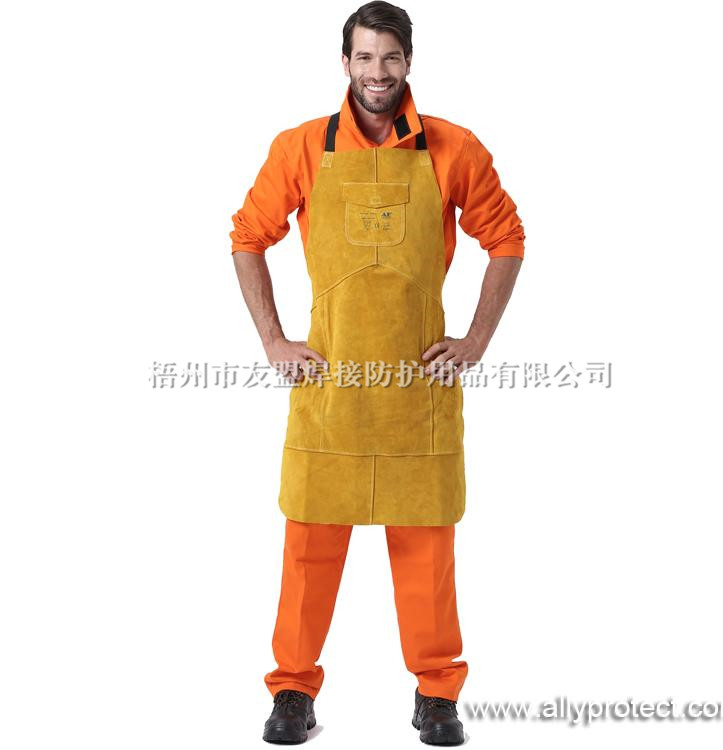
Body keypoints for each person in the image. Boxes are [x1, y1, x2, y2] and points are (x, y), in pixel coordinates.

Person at [229, 1, 524, 744]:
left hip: (416, 391)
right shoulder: (301, 148)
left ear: (409, 62)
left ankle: (437, 692)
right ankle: (292, 690)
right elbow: (247, 236)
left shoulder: (454, 149)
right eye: (365, 57)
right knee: (308, 551)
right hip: (328, 388)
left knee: (427, 553)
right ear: (346, 63)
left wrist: (476, 340)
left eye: (390, 57)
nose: (378, 72)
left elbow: (507, 237)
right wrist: (273, 341)